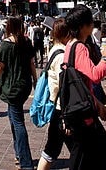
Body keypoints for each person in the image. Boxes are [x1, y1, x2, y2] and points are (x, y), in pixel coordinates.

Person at [56, 6, 106, 170]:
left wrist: (98, 104)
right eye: (91, 22)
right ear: (83, 26)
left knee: (85, 157)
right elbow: (94, 75)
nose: (93, 26)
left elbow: (80, 85)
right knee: (103, 156)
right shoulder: (80, 47)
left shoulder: (69, 46)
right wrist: (105, 58)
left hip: (79, 109)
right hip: (83, 115)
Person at [0, 16, 37, 170]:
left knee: (18, 122)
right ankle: (19, 154)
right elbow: (32, 63)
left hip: (11, 86)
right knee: (13, 118)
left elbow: (0, 66)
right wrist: (35, 80)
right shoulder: (26, 42)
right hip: (24, 85)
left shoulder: (6, 45)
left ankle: (26, 161)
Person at [37, 19, 69, 170]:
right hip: (61, 108)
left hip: (57, 105)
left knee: (53, 149)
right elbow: (63, 85)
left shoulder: (54, 49)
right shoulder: (62, 54)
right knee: (51, 150)